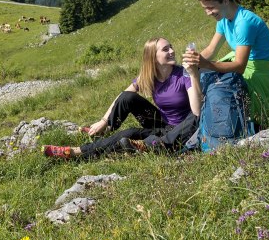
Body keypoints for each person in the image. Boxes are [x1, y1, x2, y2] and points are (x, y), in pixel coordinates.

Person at [41, 36, 202, 159]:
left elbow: (196, 112)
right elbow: (122, 97)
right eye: (165, 49)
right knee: (128, 99)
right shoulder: (150, 75)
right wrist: (103, 121)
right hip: (163, 124)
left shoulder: (183, 74)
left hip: (184, 128)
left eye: (171, 47)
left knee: (191, 118)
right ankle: (94, 137)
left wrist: (193, 74)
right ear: (153, 57)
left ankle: (76, 152)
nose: (172, 51)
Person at [182, 0, 269, 129]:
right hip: (245, 65)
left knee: (209, 79)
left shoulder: (244, 22)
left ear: (225, 1)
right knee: (198, 75)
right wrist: (193, 62)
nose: (208, 13)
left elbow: (240, 66)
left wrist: (205, 64)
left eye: (210, 8)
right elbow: (211, 50)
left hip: (257, 72)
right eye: (205, 9)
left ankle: (203, 123)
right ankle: (198, 118)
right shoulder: (224, 19)